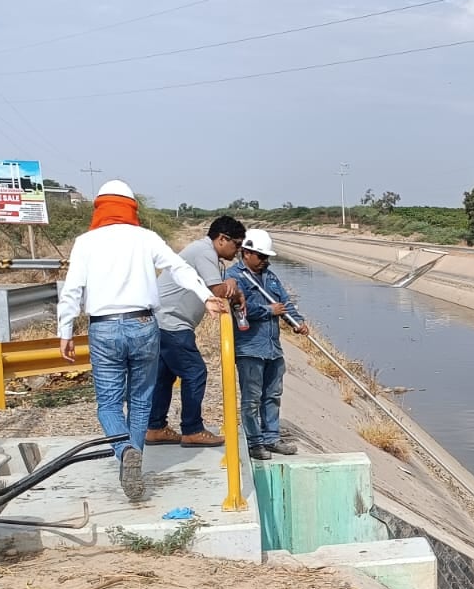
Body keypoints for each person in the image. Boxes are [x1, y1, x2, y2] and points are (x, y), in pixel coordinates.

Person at [57, 180, 224, 501]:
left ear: (99, 207)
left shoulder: (86, 242)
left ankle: (124, 451)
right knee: (140, 400)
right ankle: (134, 461)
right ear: (132, 207)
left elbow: (72, 289)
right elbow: (178, 268)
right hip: (145, 325)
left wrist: (65, 330)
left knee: (108, 404)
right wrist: (205, 296)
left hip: (104, 328)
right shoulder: (146, 238)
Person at [145, 215, 245, 449]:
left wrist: (233, 290)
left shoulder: (205, 253)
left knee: (164, 376)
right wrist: (233, 284)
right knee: (195, 372)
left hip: (164, 321)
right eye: (237, 244)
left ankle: (155, 428)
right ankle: (192, 430)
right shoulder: (204, 252)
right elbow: (219, 290)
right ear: (222, 239)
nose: (238, 251)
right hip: (172, 323)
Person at [228, 228, 309, 462]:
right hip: (250, 349)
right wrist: (268, 310)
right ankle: (255, 443)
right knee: (252, 398)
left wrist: (297, 322)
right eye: (261, 256)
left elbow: (285, 303)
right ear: (246, 253)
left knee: (272, 395)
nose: (265, 261)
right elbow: (239, 310)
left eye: (267, 257)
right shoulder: (234, 278)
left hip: (273, 348)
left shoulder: (271, 277)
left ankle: (271, 438)